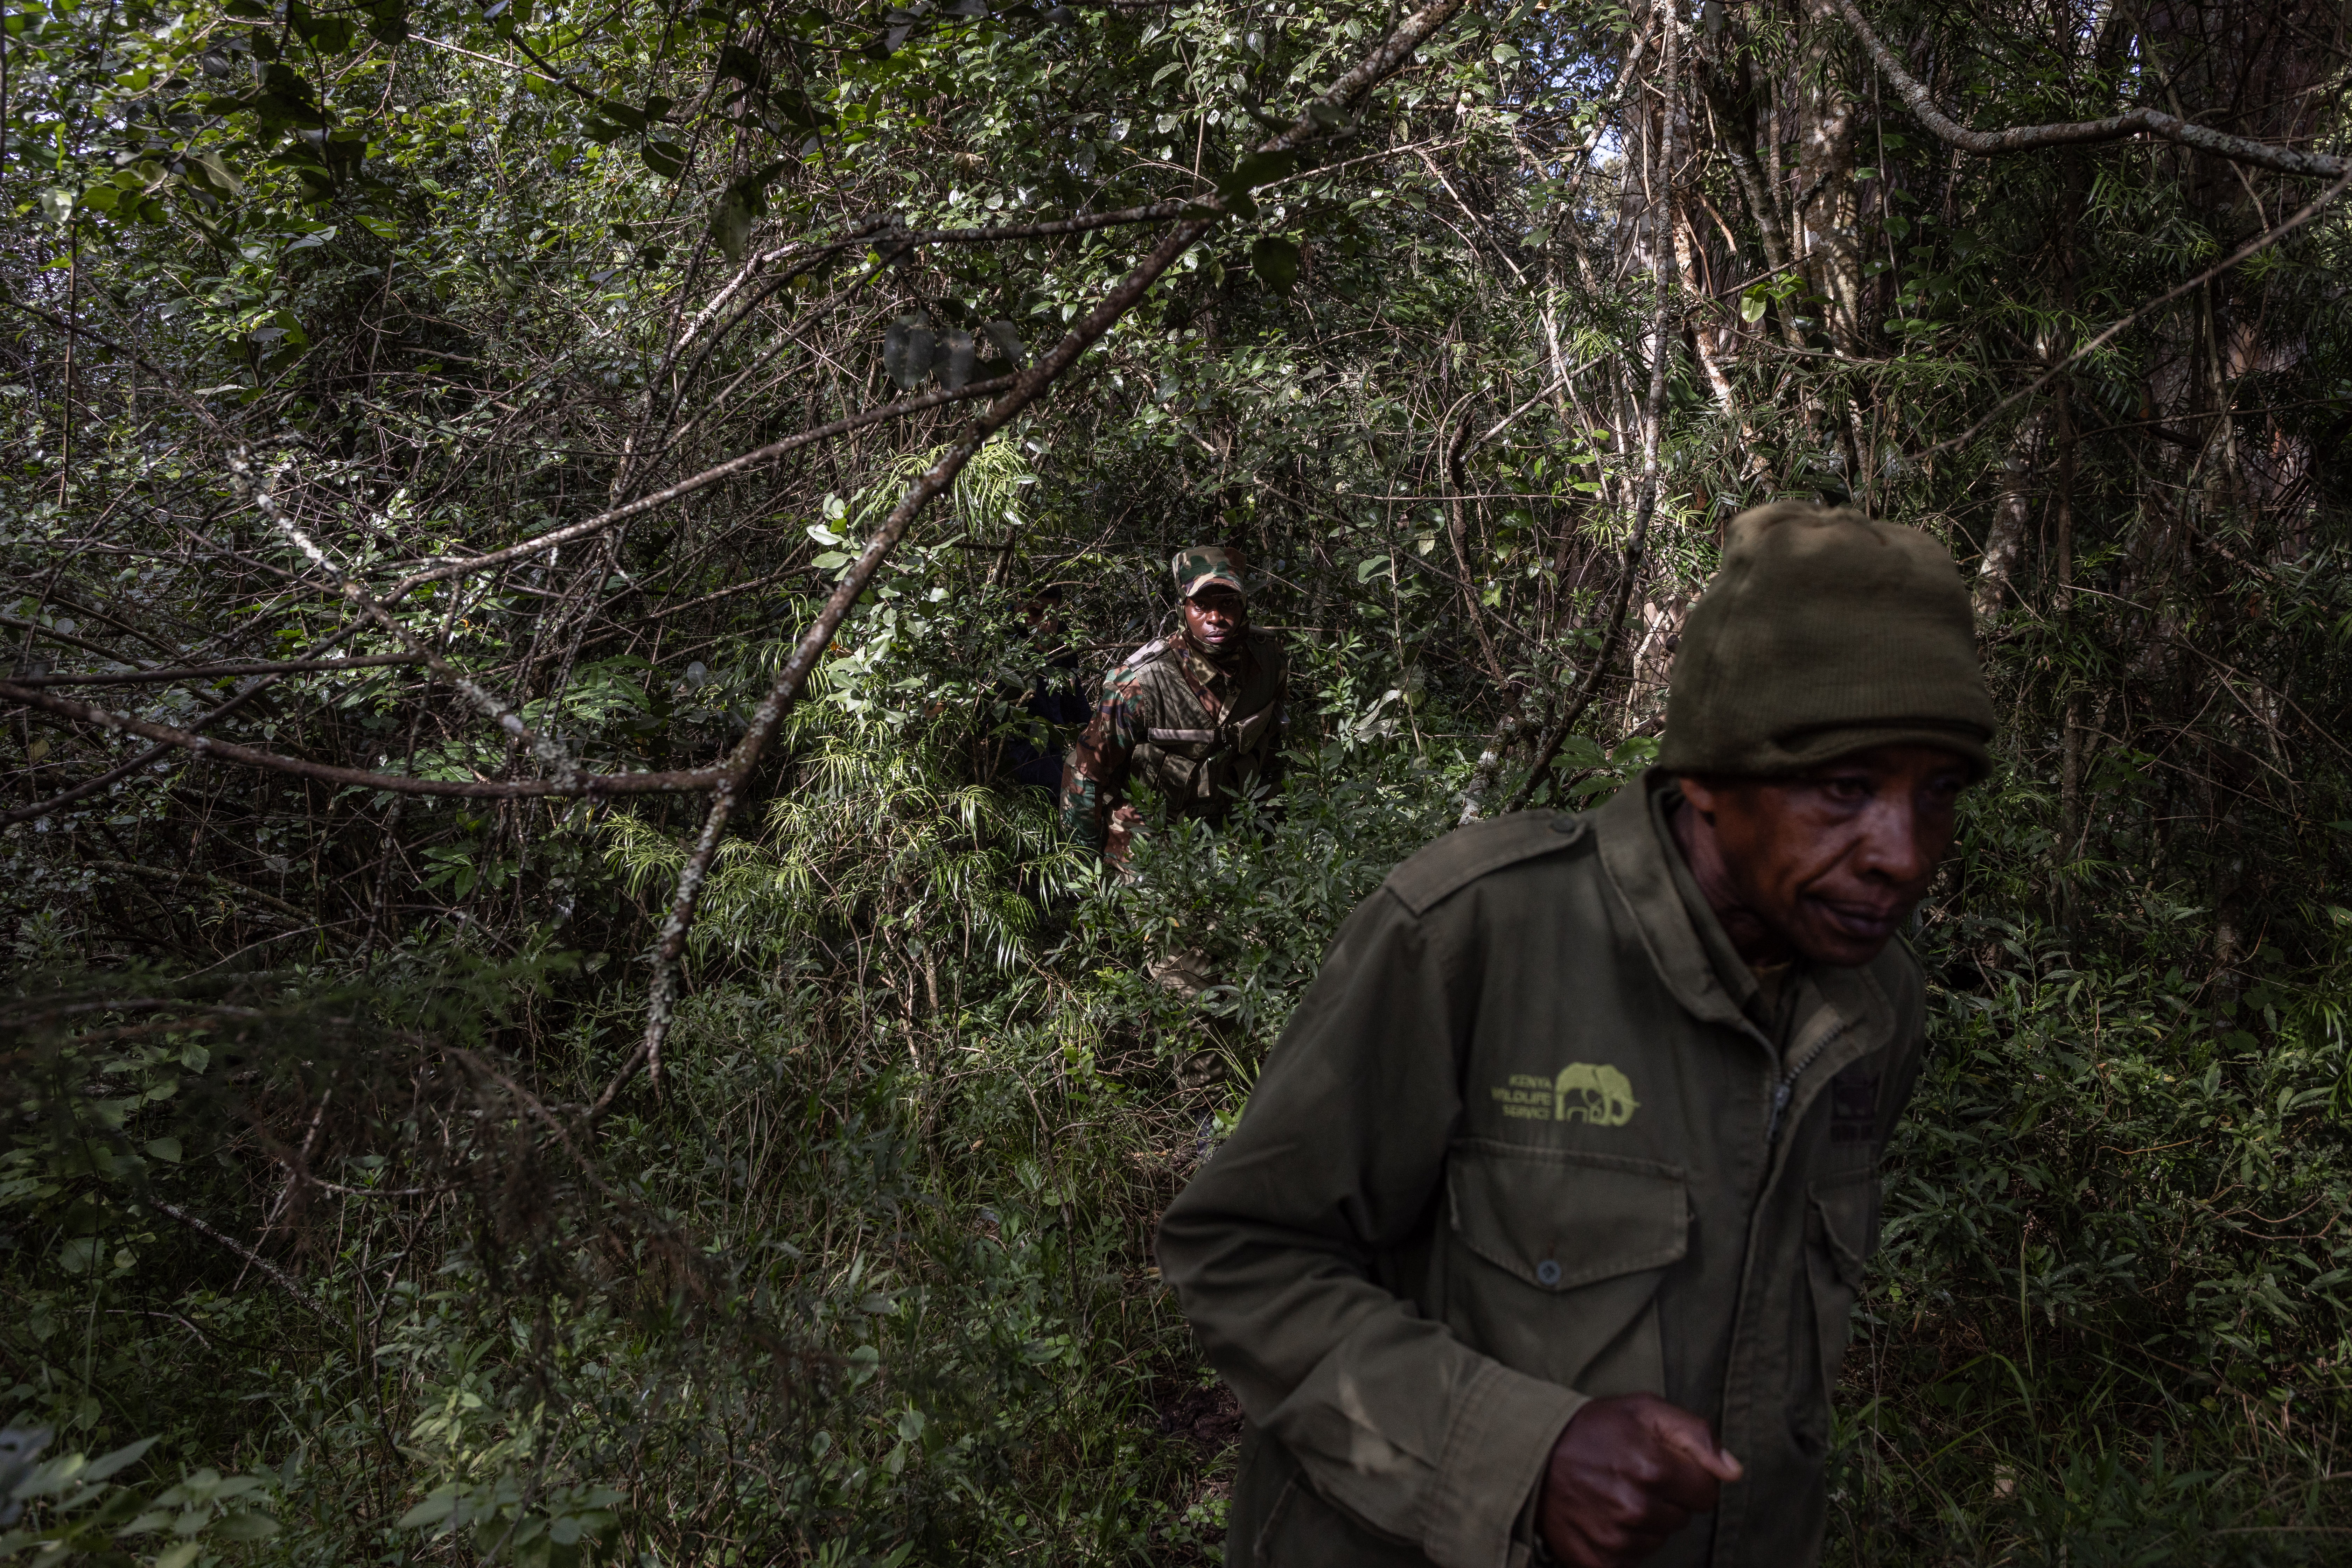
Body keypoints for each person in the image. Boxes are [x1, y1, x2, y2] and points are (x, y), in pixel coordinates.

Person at [1156, 501, 1998, 1568]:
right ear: (1703, 773)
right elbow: (1237, 1255)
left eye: (1937, 793)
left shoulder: (1873, 1009)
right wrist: (1519, 1454)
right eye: (1842, 787)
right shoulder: (1475, 933)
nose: (1902, 851)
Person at [1060, 545, 1287, 868]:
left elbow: (1273, 750)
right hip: (1147, 840)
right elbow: (1085, 775)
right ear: (1183, 609)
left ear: (1245, 606)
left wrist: (1273, 835)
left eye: (1228, 604)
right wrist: (1083, 872)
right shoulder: (1139, 683)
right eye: (1201, 606)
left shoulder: (1269, 661)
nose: (1216, 618)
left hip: (1232, 832)